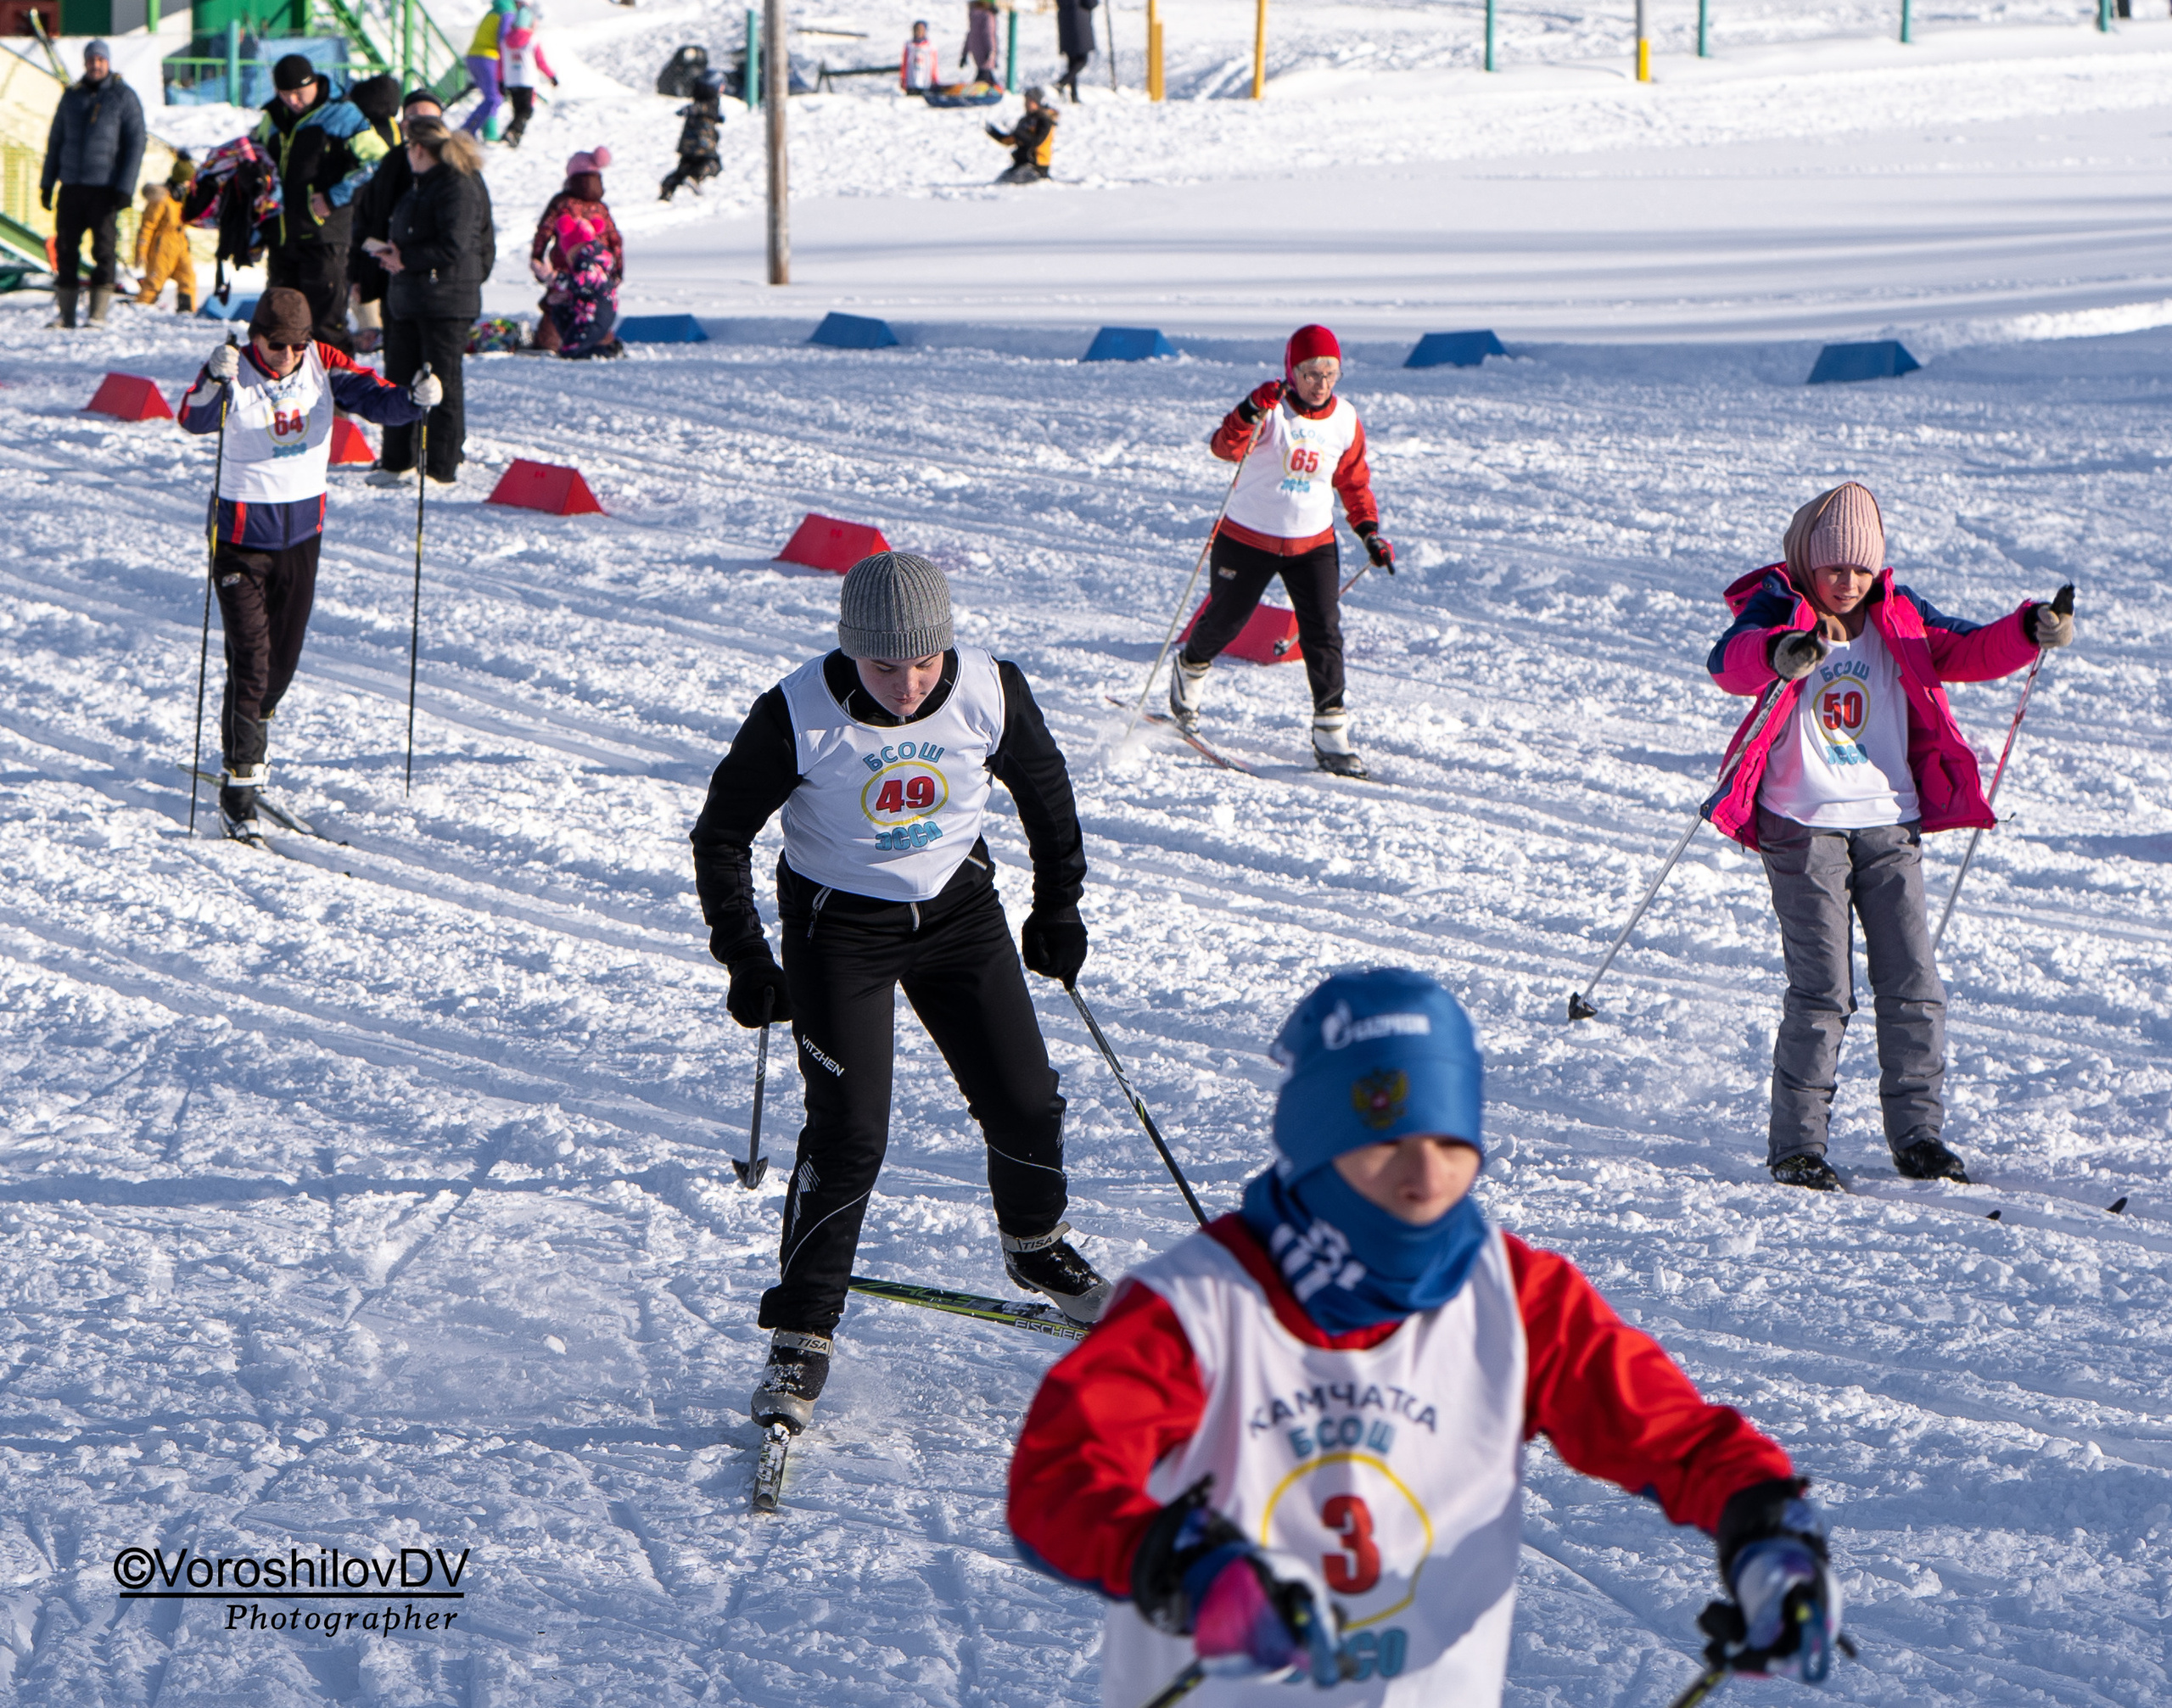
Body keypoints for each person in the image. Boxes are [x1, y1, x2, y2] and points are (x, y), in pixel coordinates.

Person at [1008, 967, 1843, 1708]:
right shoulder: (1195, 1305)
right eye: (1384, 1144)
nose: (1425, 1177)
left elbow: (1671, 1436)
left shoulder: (1514, 1297)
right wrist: (1177, 1563)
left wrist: (1765, 1531)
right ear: (1314, 1148)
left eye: (1451, 1143)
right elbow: (1056, 1482)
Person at [691, 552, 1107, 1434]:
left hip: (958, 911)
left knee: (1027, 1100)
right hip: (838, 930)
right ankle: (802, 1329)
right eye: (885, 667)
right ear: (851, 653)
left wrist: (1057, 908)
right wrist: (746, 957)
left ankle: (1033, 1247)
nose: (909, 685)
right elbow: (721, 834)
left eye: (924, 663)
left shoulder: (990, 691)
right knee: (849, 1132)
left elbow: (1049, 797)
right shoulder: (796, 711)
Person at [1704, 483, 2072, 1192]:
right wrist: (1779, 651)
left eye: (1861, 569)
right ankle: (1797, 1147)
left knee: (1913, 980)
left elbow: (1968, 649)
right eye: (1834, 567)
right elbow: (1729, 661)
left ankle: (1919, 1136)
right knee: (1823, 991)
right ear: (1809, 561)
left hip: (1888, 819)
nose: (1847, 581)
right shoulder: (1782, 607)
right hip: (1800, 823)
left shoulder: (1899, 617)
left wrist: (2031, 627)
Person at [175, 288, 436, 842]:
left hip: (301, 538)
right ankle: (240, 786)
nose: (287, 357)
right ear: (256, 338)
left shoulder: (322, 363)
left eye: (296, 345)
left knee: (280, 666)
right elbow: (194, 419)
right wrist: (210, 379)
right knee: (252, 656)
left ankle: (248, 742)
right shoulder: (234, 370)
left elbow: (376, 396)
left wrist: (415, 400)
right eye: (277, 346)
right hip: (240, 541)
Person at [1170, 324, 1394, 778]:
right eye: (1312, 373)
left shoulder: (1346, 419)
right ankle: (1189, 669)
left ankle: (1331, 734)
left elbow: (1352, 481)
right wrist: (1249, 409)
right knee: (1227, 620)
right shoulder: (1271, 412)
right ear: (1292, 373)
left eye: (1331, 373)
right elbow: (1223, 448)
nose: (1322, 383)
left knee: (1323, 634)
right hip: (1248, 537)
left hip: (1313, 544)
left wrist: (1368, 532)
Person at [372, 116, 494, 487]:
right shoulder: (422, 185)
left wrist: (407, 258)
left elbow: (454, 245)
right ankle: (397, 461)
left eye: (409, 147)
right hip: (411, 296)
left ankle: (440, 466)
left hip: (446, 300)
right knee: (398, 378)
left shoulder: (457, 184)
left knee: (441, 382)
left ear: (419, 148)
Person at [249, 53, 389, 352]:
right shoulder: (271, 119)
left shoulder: (342, 115)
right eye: (286, 95)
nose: (294, 101)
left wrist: (335, 195)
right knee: (280, 324)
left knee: (326, 324)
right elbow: (259, 160)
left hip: (325, 236)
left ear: (314, 83)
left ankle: (338, 393)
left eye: (300, 93)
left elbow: (379, 160)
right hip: (283, 236)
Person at [39, 39, 145, 330]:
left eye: (100, 60)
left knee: (104, 249)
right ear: (85, 63)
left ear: (108, 63)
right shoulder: (71, 97)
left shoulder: (123, 97)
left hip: (105, 188)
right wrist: (47, 183)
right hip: (71, 185)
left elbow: (135, 143)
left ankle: (97, 314)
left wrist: (125, 186)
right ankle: (67, 314)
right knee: (66, 249)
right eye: (91, 60)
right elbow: (55, 141)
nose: (95, 65)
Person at [345, 81, 433, 354]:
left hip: (367, 218)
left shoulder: (360, 131)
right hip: (386, 231)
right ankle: (375, 331)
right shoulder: (394, 139)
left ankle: (371, 331)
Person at [528, 147, 620, 354]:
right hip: (599, 272)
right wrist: (617, 271)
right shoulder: (600, 208)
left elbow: (544, 230)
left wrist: (537, 256)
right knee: (592, 305)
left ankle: (549, 343)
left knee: (557, 304)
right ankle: (601, 342)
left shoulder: (562, 203)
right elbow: (615, 239)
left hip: (565, 267)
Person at [541, 214, 620, 356]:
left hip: (594, 314)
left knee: (571, 351)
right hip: (595, 311)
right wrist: (564, 296)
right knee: (560, 312)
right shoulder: (594, 257)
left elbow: (582, 282)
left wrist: (557, 278)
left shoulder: (588, 258)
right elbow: (583, 288)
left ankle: (606, 352)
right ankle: (602, 347)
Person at [499, 1, 559, 148]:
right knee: (526, 110)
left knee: (518, 110)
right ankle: (512, 132)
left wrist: (500, 80)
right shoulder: (531, 40)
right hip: (527, 80)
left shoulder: (505, 41)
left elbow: (501, 63)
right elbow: (540, 61)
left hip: (511, 80)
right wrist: (551, 76)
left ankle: (514, 138)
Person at [132, 182, 196, 312]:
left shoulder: (182, 198)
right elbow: (148, 226)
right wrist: (141, 250)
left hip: (180, 244)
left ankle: (186, 310)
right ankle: (142, 309)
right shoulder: (160, 199)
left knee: (187, 277)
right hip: (162, 246)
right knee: (154, 281)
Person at [659, 74, 723, 200]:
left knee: (683, 168)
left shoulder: (698, 100)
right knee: (713, 164)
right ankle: (695, 177)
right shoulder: (712, 101)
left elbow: (699, 109)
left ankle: (667, 189)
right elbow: (703, 109)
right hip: (703, 144)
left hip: (687, 145)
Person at [462, 0, 518, 137]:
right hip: (488, 58)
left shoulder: (493, 12)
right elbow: (503, 39)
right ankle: (467, 130)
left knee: (491, 96)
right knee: (494, 98)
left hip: (473, 56)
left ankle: (489, 133)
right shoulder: (508, 13)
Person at [986, 87, 1056, 184]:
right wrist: (993, 132)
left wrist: (1019, 133)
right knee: (1000, 182)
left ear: (1038, 102)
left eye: (1030, 101)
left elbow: (1036, 141)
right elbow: (1010, 140)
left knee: (1011, 183)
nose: (1026, 104)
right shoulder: (1025, 120)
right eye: (1026, 100)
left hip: (1036, 166)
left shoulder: (1045, 120)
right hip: (1021, 164)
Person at [1055, 0, 1097, 100]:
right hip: (1079, 22)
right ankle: (1062, 82)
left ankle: (1074, 95)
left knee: (1072, 60)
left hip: (1065, 21)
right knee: (1082, 60)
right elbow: (1091, 3)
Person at [961, 0, 1001, 83]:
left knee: (985, 78)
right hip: (986, 54)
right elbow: (989, 35)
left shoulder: (974, 15)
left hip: (977, 53)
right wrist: (991, 51)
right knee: (984, 81)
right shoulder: (987, 16)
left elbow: (970, 35)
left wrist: (964, 54)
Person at [901, 20, 940, 91]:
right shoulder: (909, 46)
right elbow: (904, 64)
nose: (918, 32)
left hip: (926, 82)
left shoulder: (931, 47)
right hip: (911, 82)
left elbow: (934, 65)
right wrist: (903, 79)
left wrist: (934, 79)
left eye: (921, 30)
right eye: (916, 29)